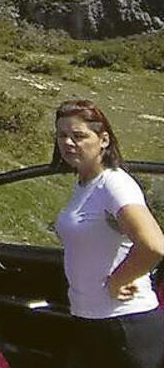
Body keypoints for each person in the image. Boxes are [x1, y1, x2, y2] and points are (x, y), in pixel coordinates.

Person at [52, 100, 164, 367]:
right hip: (92, 320)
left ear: (103, 140)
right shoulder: (85, 184)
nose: (68, 143)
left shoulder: (114, 184)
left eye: (78, 136)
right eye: (62, 135)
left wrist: (118, 280)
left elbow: (153, 245)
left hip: (124, 324)